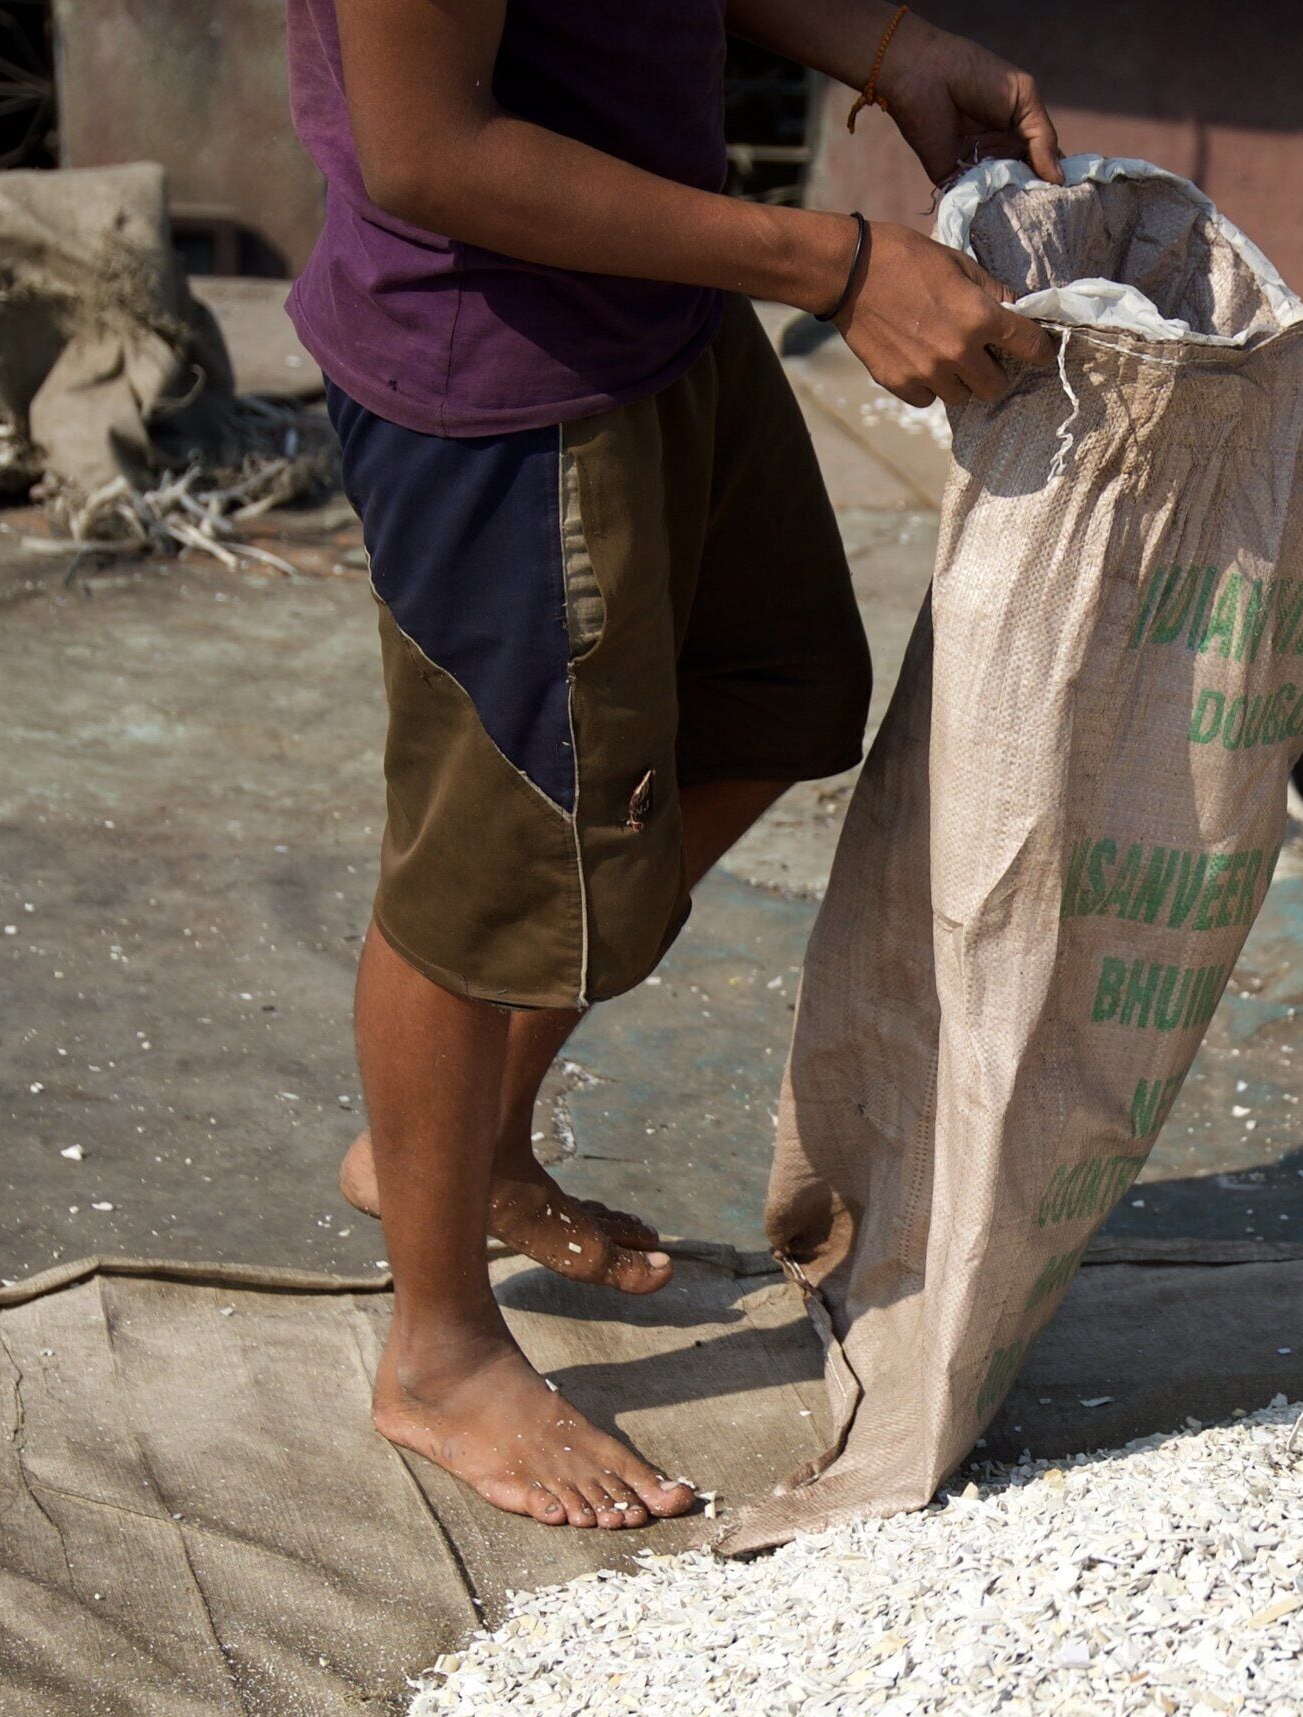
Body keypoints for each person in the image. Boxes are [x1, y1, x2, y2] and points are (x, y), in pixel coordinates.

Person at [295, 0, 1054, 1528]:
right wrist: (835, 264)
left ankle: (450, 1145)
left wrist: (884, 49)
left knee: (774, 695)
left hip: (655, 302)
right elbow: (429, 153)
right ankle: (438, 1352)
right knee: (495, 857)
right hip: (506, 366)